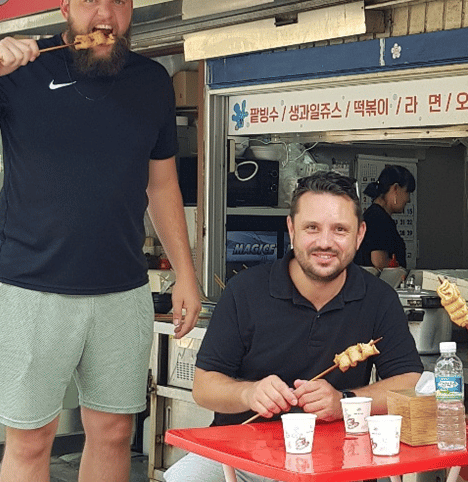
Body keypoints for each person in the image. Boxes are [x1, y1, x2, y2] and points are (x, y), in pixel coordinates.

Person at [0, 0, 201, 481]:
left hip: (121, 292)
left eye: (119, 3)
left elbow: (163, 185)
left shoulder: (151, 80)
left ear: (131, 8)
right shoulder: (21, 70)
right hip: (29, 288)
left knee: (113, 433)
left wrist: (187, 276)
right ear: (65, 8)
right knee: (31, 440)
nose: (105, 16)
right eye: (90, 1)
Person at [164, 171, 423, 482]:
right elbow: (204, 387)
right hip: (239, 457)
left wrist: (344, 402)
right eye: (311, 228)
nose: (325, 243)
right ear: (291, 229)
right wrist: (249, 394)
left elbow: (410, 382)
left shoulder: (378, 298)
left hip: (337, 460)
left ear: (360, 234)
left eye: (340, 230)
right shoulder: (245, 291)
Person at [354, 164, 416, 269]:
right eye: (407, 192)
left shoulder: (373, 215)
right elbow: (379, 261)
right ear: (395, 188)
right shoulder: (378, 219)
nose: (408, 199)